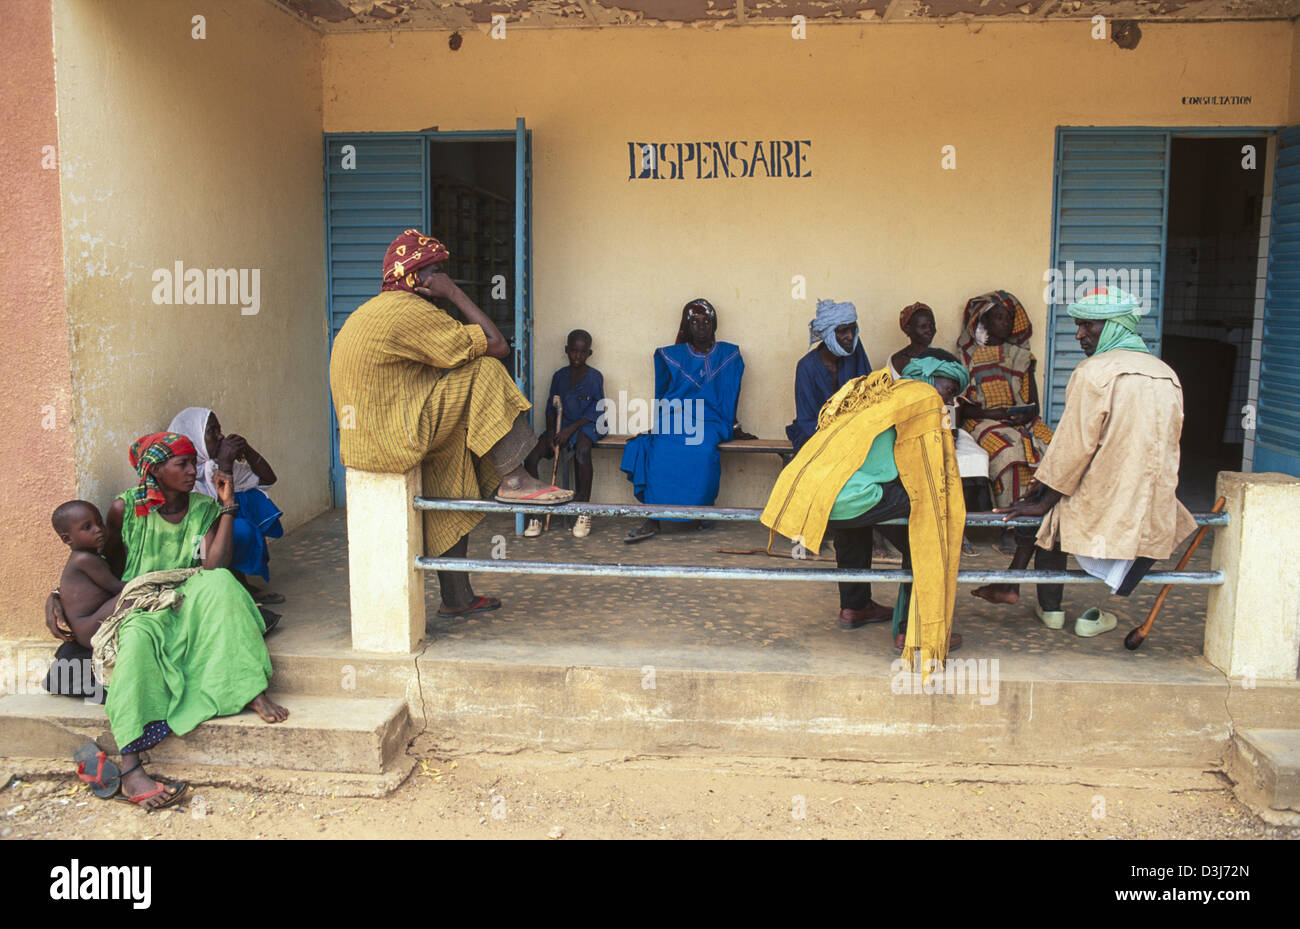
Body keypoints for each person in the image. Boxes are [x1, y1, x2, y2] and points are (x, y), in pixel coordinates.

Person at [329, 229, 572, 618]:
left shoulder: (372, 311)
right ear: (419, 277)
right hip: (396, 436)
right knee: (485, 370)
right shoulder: (411, 312)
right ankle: (515, 479)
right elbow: (496, 345)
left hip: (373, 440)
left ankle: (456, 597)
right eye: (437, 271)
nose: (444, 279)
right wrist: (455, 294)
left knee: (452, 472)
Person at [47, 432, 289, 810]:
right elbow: (101, 562)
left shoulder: (203, 507)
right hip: (141, 601)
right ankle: (130, 766)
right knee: (138, 638)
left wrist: (228, 507)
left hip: (187, 592)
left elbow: (214, 566)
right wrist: (59, 595)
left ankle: (247, 687)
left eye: (194, 462)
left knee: (222, 584)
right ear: (155, 470)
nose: (194, 471)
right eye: (183, 464)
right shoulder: (123, 508)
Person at [975, 287, 1196, 637]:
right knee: (1048, 500)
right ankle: (1022, 591)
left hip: (1106, 504)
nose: (1079, 335)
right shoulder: (1166, 374)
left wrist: (1045, 496)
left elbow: (1073, 447)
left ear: (1111, 327)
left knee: (1049, 515)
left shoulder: (1094, 372)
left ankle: (1050, 610)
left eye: (1087, 326)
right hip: (1150, 505)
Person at [761, 357, 966, 668]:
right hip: (852, 494)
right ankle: (914, 630)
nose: (949, 401)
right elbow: (928, 471)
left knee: (857, 521)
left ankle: (855, 606)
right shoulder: (923, 397)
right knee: (930, 521)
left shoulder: (882, 390)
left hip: (818, 492)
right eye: (949, 390)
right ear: (927, 378)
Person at [621, 299, 754, 543]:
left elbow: (731, 394)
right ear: (686, 326)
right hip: (675, 419)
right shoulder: (672, 355)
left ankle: (700, 511)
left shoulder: (729, 354)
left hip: (712, 420)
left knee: (702, 452)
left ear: (714, 324)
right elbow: (663, 395)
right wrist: (659, 424)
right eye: (694, 322)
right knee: (659, 449)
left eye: (706, 321)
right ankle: (654, 517)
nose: (701, 326)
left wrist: (735, 427)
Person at [955, 290, 1054, 552]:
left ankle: (1047, 523)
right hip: (981, 422)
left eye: (1009, 318)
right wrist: (993, 415)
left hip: (1018, 420)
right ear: (984, 322)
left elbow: (1033, 403)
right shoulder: (968, 356)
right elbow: (963, 408)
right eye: (998, 317)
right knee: (1010, 452)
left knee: (1053, 448)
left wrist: (1025, 414)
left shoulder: (1021, 356)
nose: (1005, 323)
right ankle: (1010, 527)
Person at [891, 302, 986, 555]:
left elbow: (950, 407)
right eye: (923, 325)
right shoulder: (897, 363)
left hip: (943, 424)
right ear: (907, 329)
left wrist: (949, 432)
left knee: (953, 459)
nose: (929, 330)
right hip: (908, 426)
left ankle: (954, 524)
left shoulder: (943, 361)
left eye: (932, 324)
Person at [168, 407, 285, 603]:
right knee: (238, 528)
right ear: (193, 437)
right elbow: (206, 518)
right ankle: (224, 587)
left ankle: (239, 581)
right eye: (212, 432)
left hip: (212, 538)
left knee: (251, 499)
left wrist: (246, 449)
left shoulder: (211, 465)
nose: (220, 436)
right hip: (194, 545)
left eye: (219, 429)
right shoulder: (178, 472)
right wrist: (225, 466)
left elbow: (268, 478)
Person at [522, 329, 606, 539]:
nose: (577, 356)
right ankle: (535, 512)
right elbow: (551, 408)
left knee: (582, 450)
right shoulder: (559, 376)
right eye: (574, 351)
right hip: (561, 426)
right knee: (532, 457)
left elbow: (597, 411)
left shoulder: (595, 377)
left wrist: (570, 430)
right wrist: (551, 432)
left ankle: (583, 510)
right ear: (566, 350)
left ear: (589, 353)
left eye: (582, 352)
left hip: (586, 425)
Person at [45, 501, 122, 701]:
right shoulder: (84, 560)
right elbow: (117, 588)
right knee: (129, 598)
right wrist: (152, 581)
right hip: (88, 629)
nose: (98, 530)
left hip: (84, 629)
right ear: (67, 538)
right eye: (87, 527)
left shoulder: (89, 556)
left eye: (99, 523)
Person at [786, 299, 872, 454]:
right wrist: (837, 434)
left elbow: (869, 394)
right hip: (816, 431)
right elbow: (807, 419)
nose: (851, 337)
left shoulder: (855, 351)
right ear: (828, 333)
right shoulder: (807, 367)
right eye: (843, 331)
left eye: (853, 330)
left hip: (854, 429)